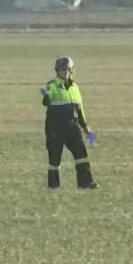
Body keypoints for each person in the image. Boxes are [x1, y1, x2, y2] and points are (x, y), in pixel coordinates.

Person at [41, 56, 98, 190]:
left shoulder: (75, 87)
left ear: (71, 70)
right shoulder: (51, 85)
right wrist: (46, 94)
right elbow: (46, 102)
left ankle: (85, 182)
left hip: (72, 127)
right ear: (56, 70)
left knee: (81, 155)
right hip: (55, 128)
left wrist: (85, 127)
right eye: (61, 69)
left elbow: (79, 108)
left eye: (66, 68)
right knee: (55, 158)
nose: (64, 71)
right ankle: (54, 186)